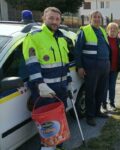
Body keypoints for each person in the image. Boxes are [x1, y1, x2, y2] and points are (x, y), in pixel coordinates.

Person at [22, 7, 71, 150]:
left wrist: (69, 83)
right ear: (44, 18)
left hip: (61, 89)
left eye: (57, 19)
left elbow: (65, 63)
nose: (55, 22)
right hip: (45, 92)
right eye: (51, 18)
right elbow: (32, 63)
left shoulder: (61, 37)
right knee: (49, 127)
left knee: (61, 122)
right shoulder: (34, 36)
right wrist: (40, 84)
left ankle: (59, 146)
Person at [74, 11, 110, 126]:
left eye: (99, 17)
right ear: (90, 19)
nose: (97, 19)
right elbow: (77, 50)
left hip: (104, 66)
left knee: (101, 91)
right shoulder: (84, 30)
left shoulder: (102, 30)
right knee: (90, 92)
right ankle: (90, 116)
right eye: (95, 17)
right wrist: (79, 67)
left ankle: (97, 111)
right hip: (91, 67)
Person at [105, 22, 120, 111]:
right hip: (105, 68)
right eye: (110, 29)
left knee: (112, 87)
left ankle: (112, 103)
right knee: (105, 87)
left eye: (114, 29)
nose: (112, 31)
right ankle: (103, 104)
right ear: (107, 30)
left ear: (117, 31)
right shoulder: (104, 40)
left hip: (115, 68)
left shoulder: (119, 41)